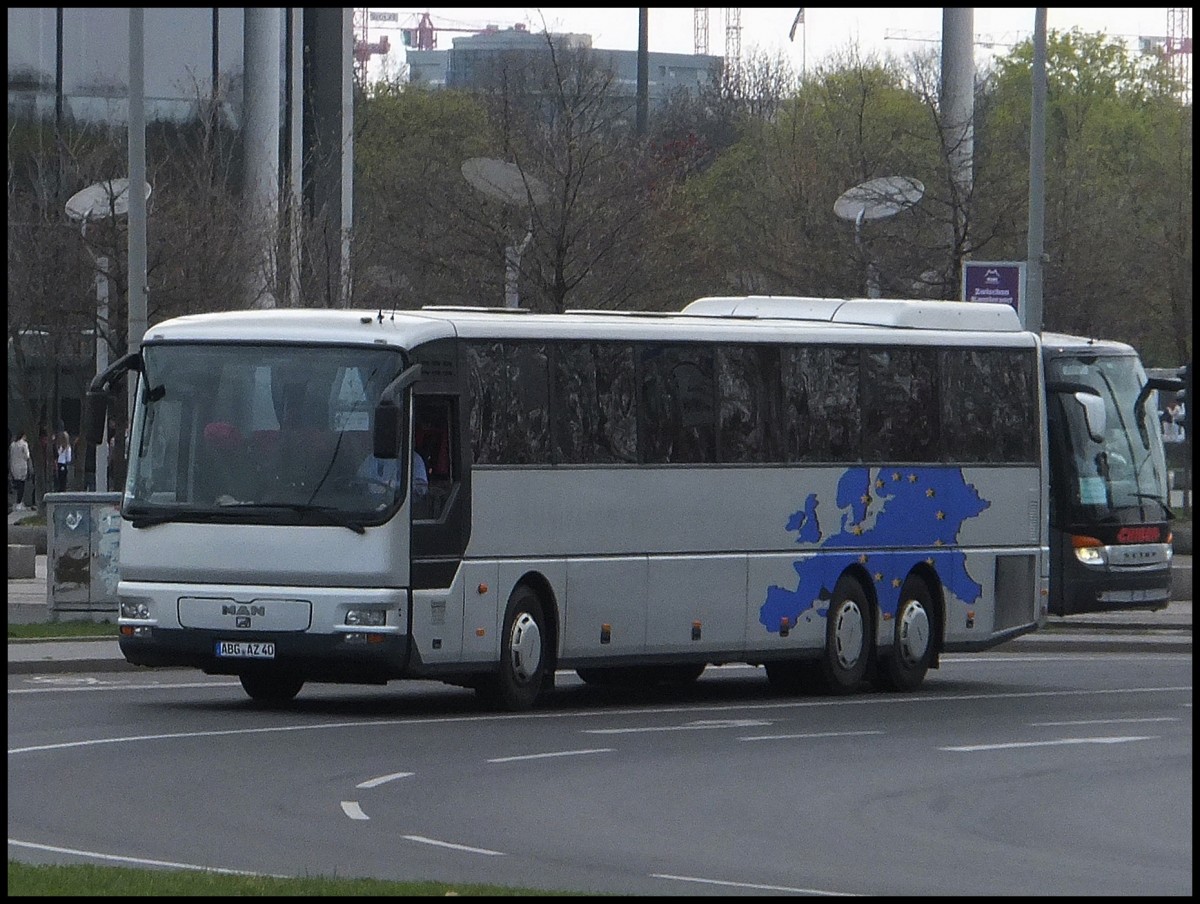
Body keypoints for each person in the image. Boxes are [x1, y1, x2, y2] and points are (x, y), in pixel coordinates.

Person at [9, 430, 33, 511]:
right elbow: (27, 456)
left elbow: (11, 455)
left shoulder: (12, 444)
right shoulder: (24, 444)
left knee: (17, 484)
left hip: (14, 466)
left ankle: (17, 502)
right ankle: (19, 503)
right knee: (22, 485)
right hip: (22, 466)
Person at [54, 428, 73, 492]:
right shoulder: (67, 448)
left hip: (58, 464)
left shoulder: (58, 446)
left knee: (58, 480)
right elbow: (69, 459)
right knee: (63, 481)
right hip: (63, 464)